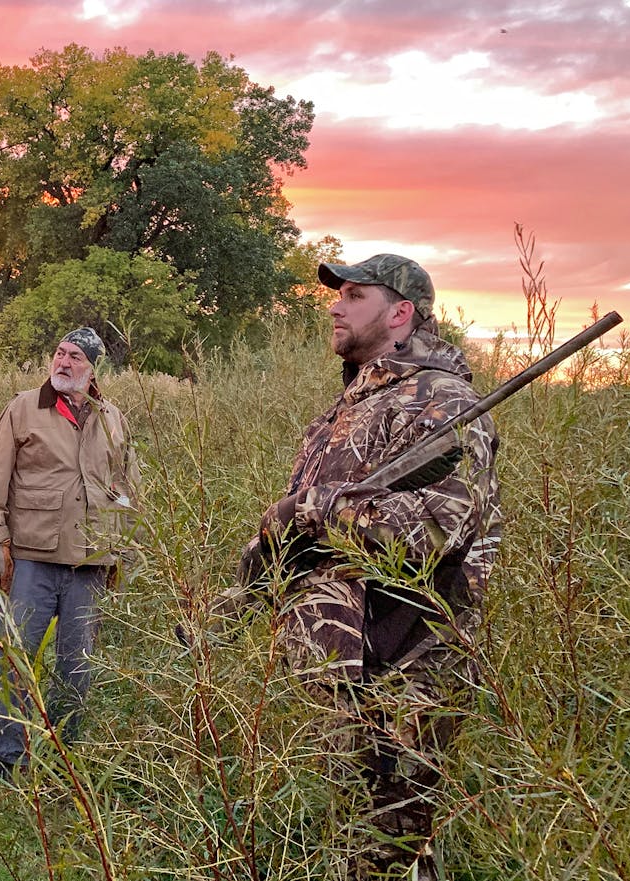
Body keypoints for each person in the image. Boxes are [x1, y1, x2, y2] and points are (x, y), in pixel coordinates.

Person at [236, 254, 502, 879]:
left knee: (394, 842)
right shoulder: (355, 401)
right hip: (348, 662)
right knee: (356, 833)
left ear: (400, 313)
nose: (335, 305)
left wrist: (314, 509)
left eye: (355, 295)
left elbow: (443, 524)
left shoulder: (443, 401)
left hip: (408, 664)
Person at [0, 327, 139, 780]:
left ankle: (64, 757)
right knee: (17, 658)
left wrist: (123, 550)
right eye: (59, 354)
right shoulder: (24, 408)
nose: (64, 363)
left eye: (75, 358)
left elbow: (127, 486)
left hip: (90, 563)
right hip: (32, 556)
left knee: (78, 665)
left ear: (93, 368)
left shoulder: (112, 417)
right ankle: (11, 758)